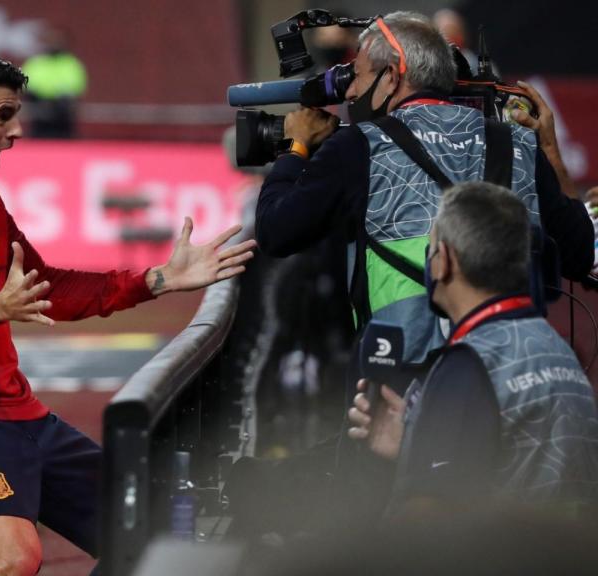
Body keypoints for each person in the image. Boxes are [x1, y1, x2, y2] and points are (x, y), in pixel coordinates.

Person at [0, 49, 256, 576]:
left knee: (152, 534)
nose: (17, 130)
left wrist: (157, 280)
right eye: (3, 115)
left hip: (17, 411)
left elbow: (51, 288)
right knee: (14, 558)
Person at [255, 11, 593, 368]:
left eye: (356, 76)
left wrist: (297, 147)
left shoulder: (358, 146)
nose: (351, 91)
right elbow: (579, 254)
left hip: (397, 382)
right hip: (514, 371)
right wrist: (551, 153)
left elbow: (275, 231)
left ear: (391, 75)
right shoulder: (519, 144)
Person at [348, 182, 598, 513]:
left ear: (446, 260)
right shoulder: (560, 353)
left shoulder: (468, 365)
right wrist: (412, 446)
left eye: (432, 249)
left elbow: (433, 527)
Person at [21, 28, 87, 139]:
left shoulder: (70, 63)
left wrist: (58, 99)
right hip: (39, 115)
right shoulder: (36, 63)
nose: (53, 45)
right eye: (51, 41)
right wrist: (41, 97)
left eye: (57, 42)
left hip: (63, 116)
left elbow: (76, 86)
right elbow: (26, 84)